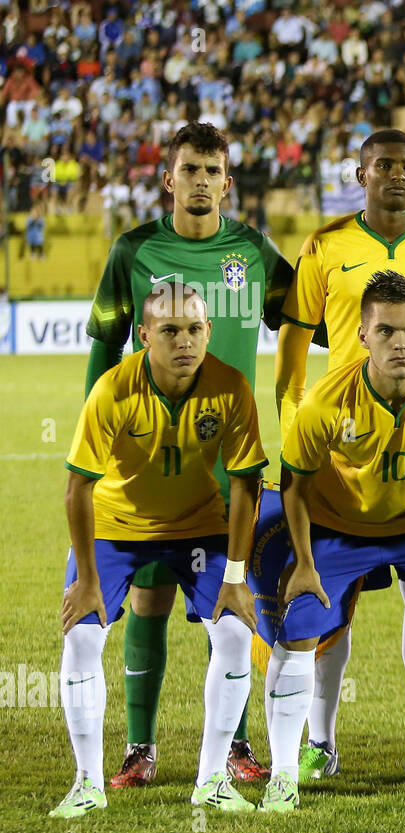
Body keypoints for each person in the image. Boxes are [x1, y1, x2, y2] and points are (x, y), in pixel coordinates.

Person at [276, 128, 405, 782]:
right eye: (384, 166)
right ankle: (320, 740)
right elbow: (291, 346)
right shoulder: (325, 246)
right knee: (328, 609)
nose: (398, 176)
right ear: (360, 172)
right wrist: (294, 428)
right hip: (340, 446)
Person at [84, 122, 292, 789]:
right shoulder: (133, 250)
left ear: (227, 183)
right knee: (148, 600)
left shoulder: (253, 251)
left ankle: (233, 745)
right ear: (167, 178)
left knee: (226, 605)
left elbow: (307, 315)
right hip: (151, 460)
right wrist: (101, 427)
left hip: (228, 467)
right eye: (189, 169)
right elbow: (104, 345)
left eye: (212, 170)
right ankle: (139, 748)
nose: (200, 181)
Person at [53, 282, 268, 818]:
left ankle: (212, 780)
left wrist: (236, 576)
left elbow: (246, 485)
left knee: (236, 633)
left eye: (195, 329)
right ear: (144, 335)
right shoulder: (112, 389)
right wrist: (85, 579)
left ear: (209, 332)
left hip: (197, 529)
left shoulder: (232, 388)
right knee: (81, 638)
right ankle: (86, 783)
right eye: (169, 331)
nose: (184, 342)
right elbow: (78, 487)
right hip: (114, 529)